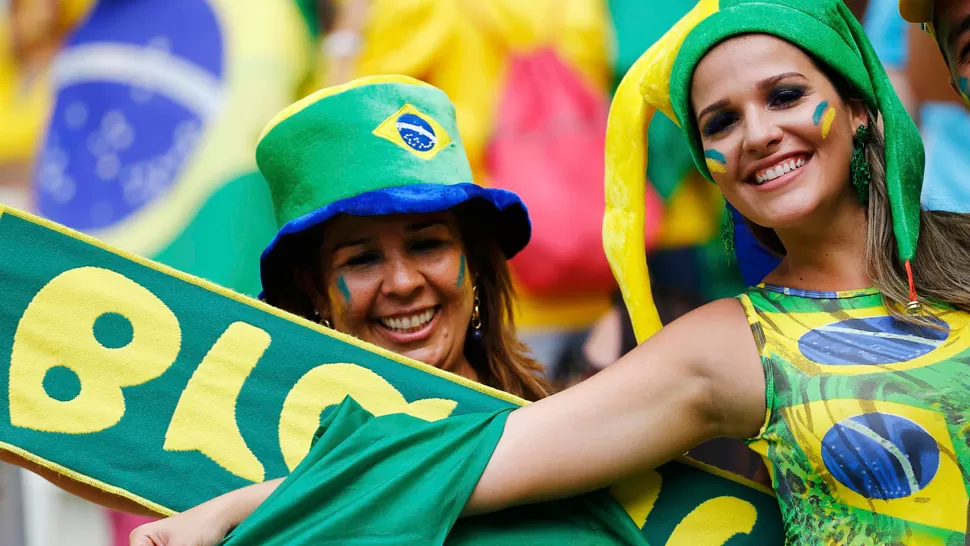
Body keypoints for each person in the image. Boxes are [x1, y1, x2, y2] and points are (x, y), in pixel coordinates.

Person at [129, 74, 553, 546]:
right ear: (314, 290)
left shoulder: (570, 427)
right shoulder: (244, 460)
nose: (404, 282)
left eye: (428, 244)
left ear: (472, 261)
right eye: (363, 259)